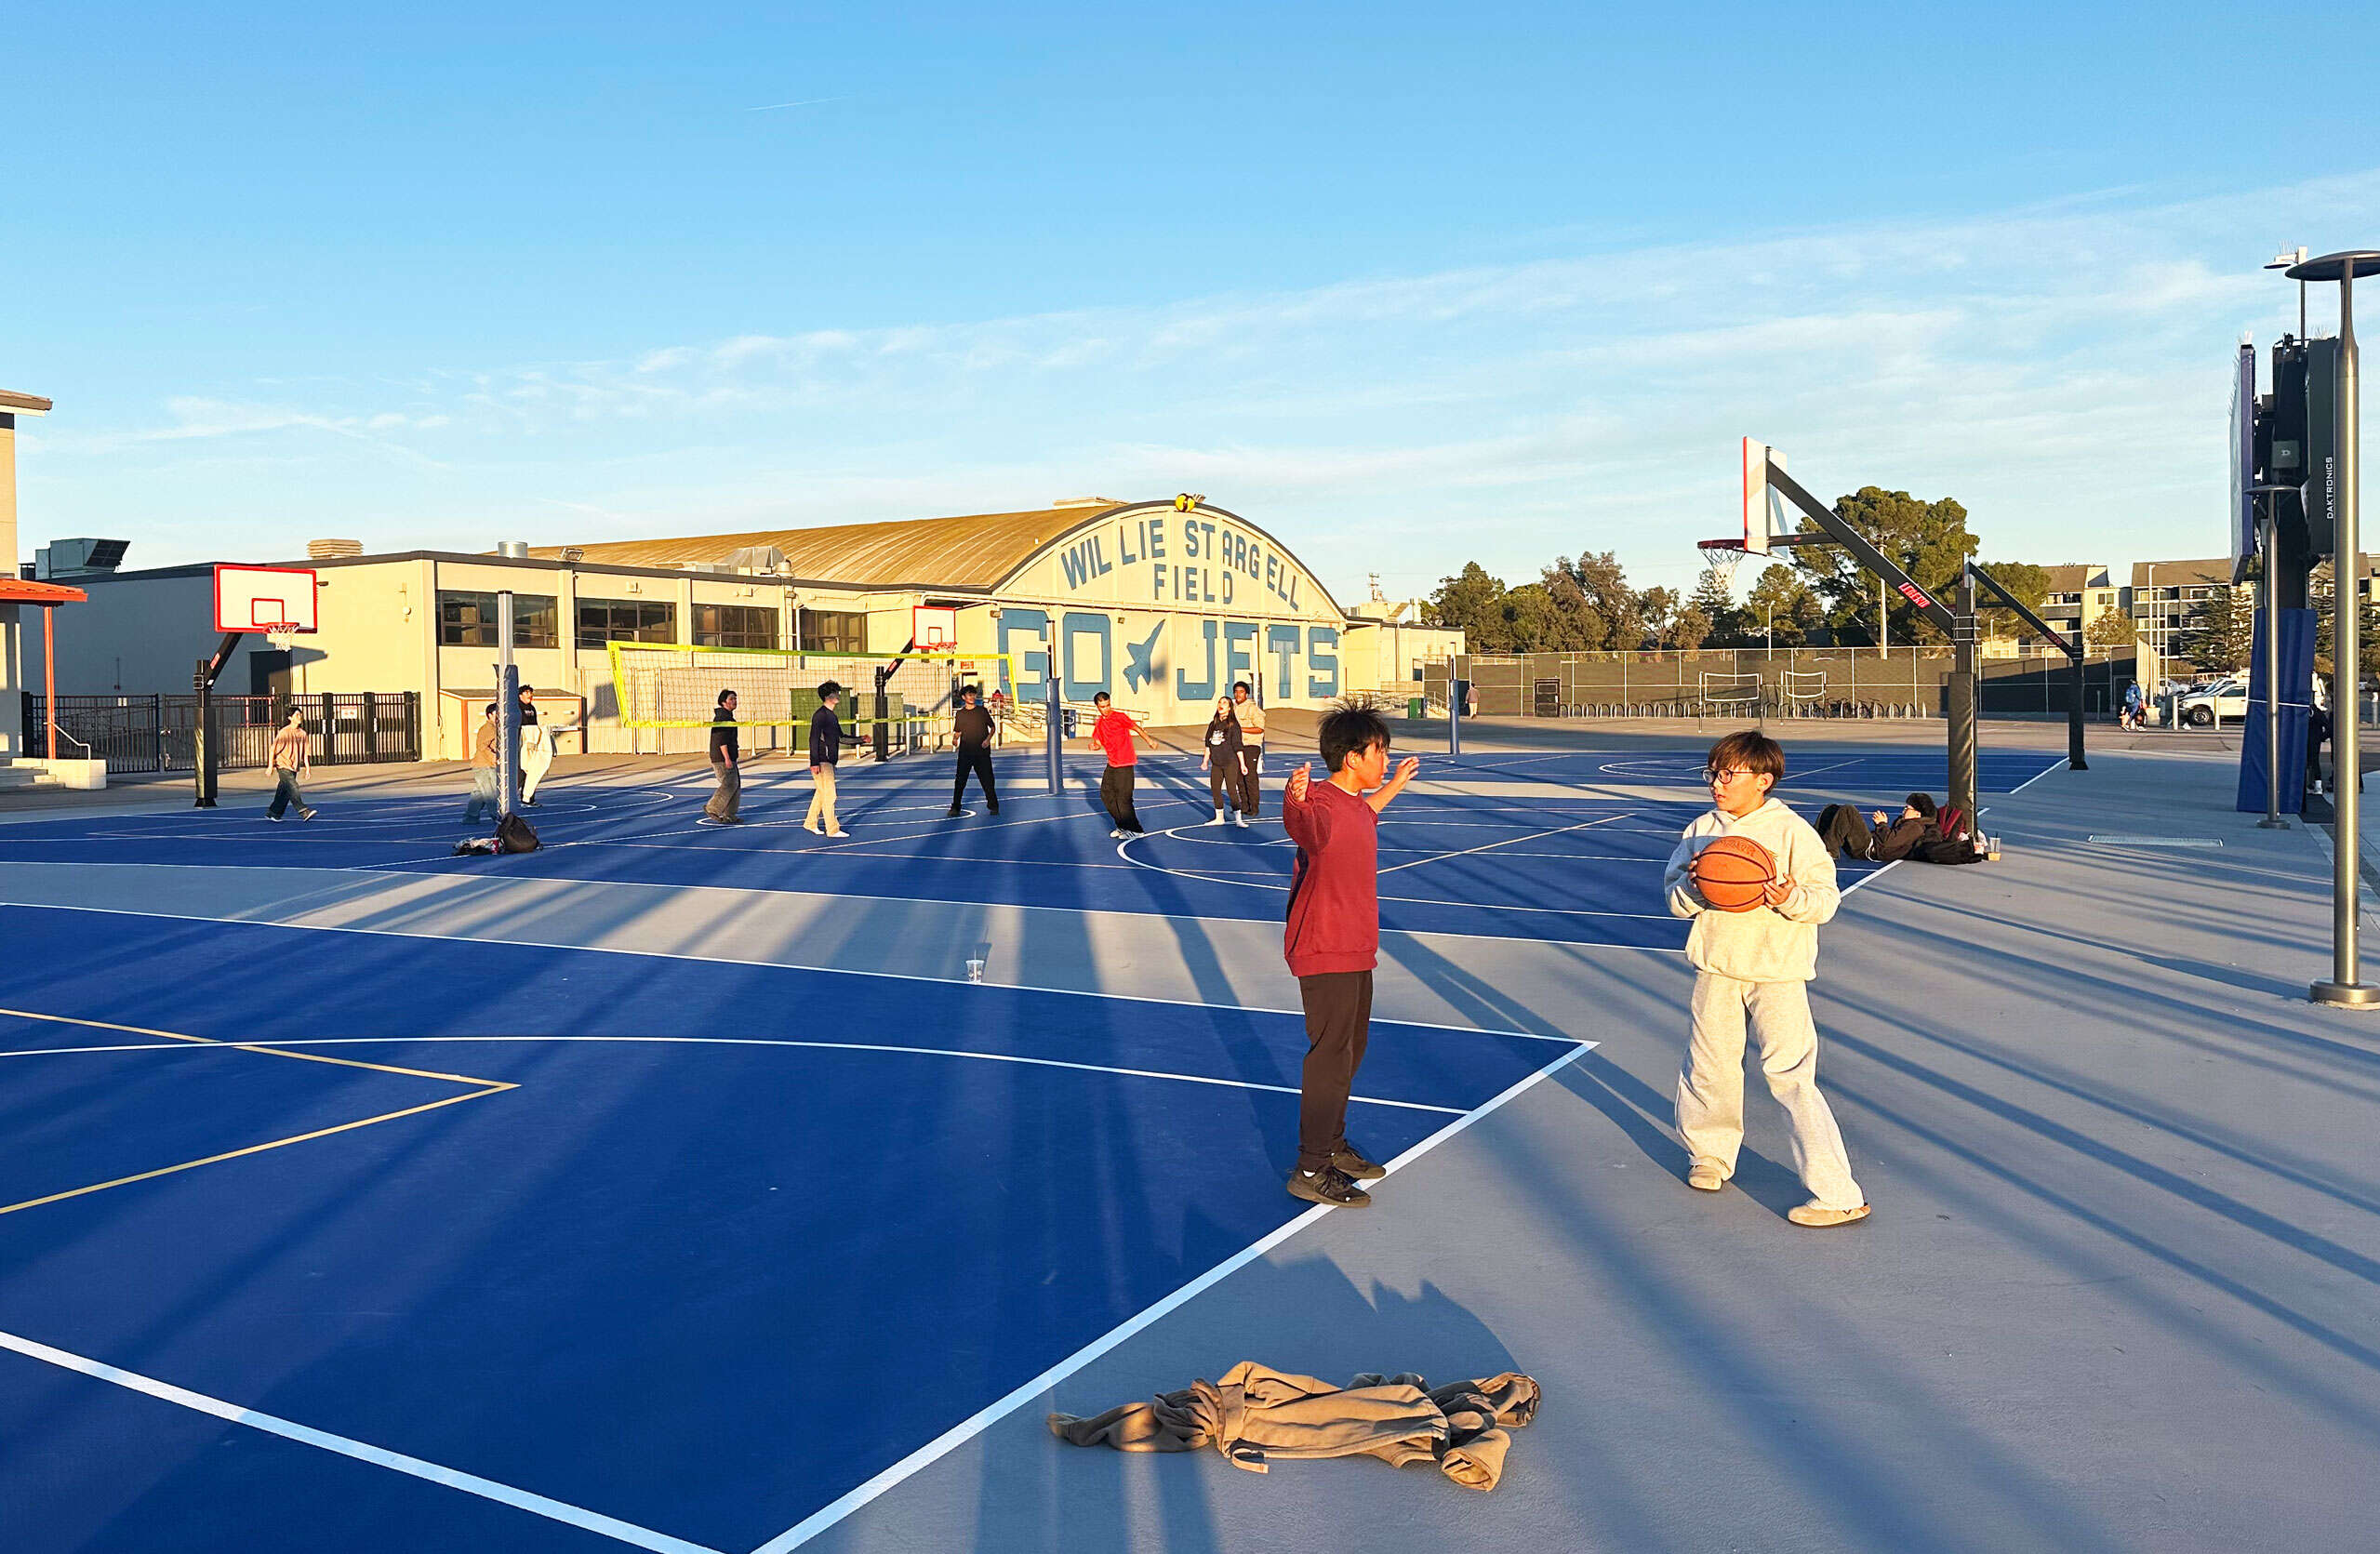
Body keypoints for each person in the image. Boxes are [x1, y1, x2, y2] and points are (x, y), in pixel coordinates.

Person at [1664, 730, 1869, 1229]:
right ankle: (1709, 1154)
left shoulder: (1792, 831)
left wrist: (1788, 898)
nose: (1717, 783)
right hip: (1717, 965)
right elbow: (1674, 901)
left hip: (1777, 970)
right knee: (1708, 1067)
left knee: (1791, 1076)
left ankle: (1837, 1194)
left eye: (1727, 774)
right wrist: (1695, 888)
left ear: (1763, 780)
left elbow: (1825, 901)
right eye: (1713, 773)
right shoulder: (1700, 829)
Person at [1280, 704, 1420, 1207]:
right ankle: (1311, 1167)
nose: (1386, 759)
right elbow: (1306, 825)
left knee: (1350, 1052)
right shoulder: (1319, 803)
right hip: (1326, 946)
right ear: (1352, 758)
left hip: (1357, 947)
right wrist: (1294, 798)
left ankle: (1333, 1146)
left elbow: (1367, 813)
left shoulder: (1355, 804)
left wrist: (1395, 784)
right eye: (1380, 752)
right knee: (1330, 1058)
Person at [1088, 691, 1153, 837]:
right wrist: (1094, 746)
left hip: (1125, 763)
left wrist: (1149, 741)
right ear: (1097, 707)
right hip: (1112, 764)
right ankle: (1122, 826)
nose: (1106, 709)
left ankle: (1136, 830)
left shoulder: (1120, 717)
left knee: (1123, 798)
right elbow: (1098, 742)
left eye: (1108, 705)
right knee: (1106, 795)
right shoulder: (1099, 723)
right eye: (1103, 706)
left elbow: (1136, 728)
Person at [1814, 792, 1937, 862]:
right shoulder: (1909, 825)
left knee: (1848, 811)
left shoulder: (1915, 827)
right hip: (1872, 843)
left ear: (1918, 814)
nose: (1904, 810)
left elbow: (1889, 842)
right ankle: (1815, 844)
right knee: (1832, 809)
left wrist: (1881, 824)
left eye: (1908, 808)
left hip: (1870, 848)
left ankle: (1829, 851)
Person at [948, 684, 1000, 817]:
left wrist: (988, 740)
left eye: (973, 694)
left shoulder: (982, 711)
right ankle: (955, 807)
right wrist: (955, 739)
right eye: (969, 695)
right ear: (963, 697)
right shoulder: (960, 714)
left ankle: (993, 806)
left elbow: (993, 728)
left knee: (988, 780)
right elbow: (958, 731)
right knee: (960, 781)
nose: (972, 697)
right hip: (965, 752)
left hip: (981, 752)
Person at [806, 680, 847, 837]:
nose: (837, 695)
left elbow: (842, 737)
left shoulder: (832, 716)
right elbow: (813, 739)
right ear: (827, 696)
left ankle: (810, 823)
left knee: (821, 793)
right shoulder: (820, 715)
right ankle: (832, 829)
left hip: (829, 760)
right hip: (822, 761)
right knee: (830, 795)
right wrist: (814, 762)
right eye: (834, 692)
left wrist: (861, 739)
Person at [1200, 695, 1248, 828]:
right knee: (1215, 789)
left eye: (1224, 703)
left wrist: (1242, 764)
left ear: (1229, 708)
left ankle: (1238, 819)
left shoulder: (1233, 725)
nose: (1221, 705)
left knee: (1231, 790)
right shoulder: (1213, 724)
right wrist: (1205, 761)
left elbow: (1238, 745)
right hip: (1216, 763)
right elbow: (1208, 745)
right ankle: (1219, 818)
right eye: (1219, 702)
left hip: (1230, 762)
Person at [265, 706, 318, 822]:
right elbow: (273, 749)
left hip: (294, 766)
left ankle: (273, 813)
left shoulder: (303, 734)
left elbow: (305, 753)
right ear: (290, 718)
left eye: (300, 715)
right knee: (293, 787)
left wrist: (308, 768)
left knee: (284, 791)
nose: (300, 717)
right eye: (297, 715)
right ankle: (303, 811)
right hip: (283, 764)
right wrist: (270, 766)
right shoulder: (284, 732)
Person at [703, 689, 744, 825]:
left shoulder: (729, 717)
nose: (734, 701)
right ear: (723, 702)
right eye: (731, 699)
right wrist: (726, 758)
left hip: (730, 756)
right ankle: (712, 808)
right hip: (722, 758)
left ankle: (729, 815)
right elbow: (721, 740)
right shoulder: (722, 718)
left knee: (735, 785)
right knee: (729, 783)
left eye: (735, 698)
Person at [1231, 680, 1267, 817]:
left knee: (1250, 777)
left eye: (1241, 692)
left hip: (1251, 746)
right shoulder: (1233, 708)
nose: (1238, 694)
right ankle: (1244, 805)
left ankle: (1254, 807)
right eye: (1236, 692)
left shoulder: (1252, 709)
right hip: (1236, 747)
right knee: (1238, 778)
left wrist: (1240, 729)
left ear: (1246, 693)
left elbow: (1259, 728)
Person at [463, 702, 502, 824]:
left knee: (479, 793)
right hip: (484, 766)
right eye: (497, 713)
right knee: (491, 792)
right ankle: (496, 816)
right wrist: (493, 758)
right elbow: (482, 746)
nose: (499, 715)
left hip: (485, 765)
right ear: (490, 715)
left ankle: (471, 817)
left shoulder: (495, 728)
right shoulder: (488, 729)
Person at [516, 684, 552, 805]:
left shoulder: (532, 708)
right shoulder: (516, 707)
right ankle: (507, 797)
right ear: (520, 695)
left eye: (531, 693)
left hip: (532, 743)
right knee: (521, 771)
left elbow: (534, 726)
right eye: (526, 693)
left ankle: (528, 798)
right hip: (522, 744)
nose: (530, 695)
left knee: (533, 771)